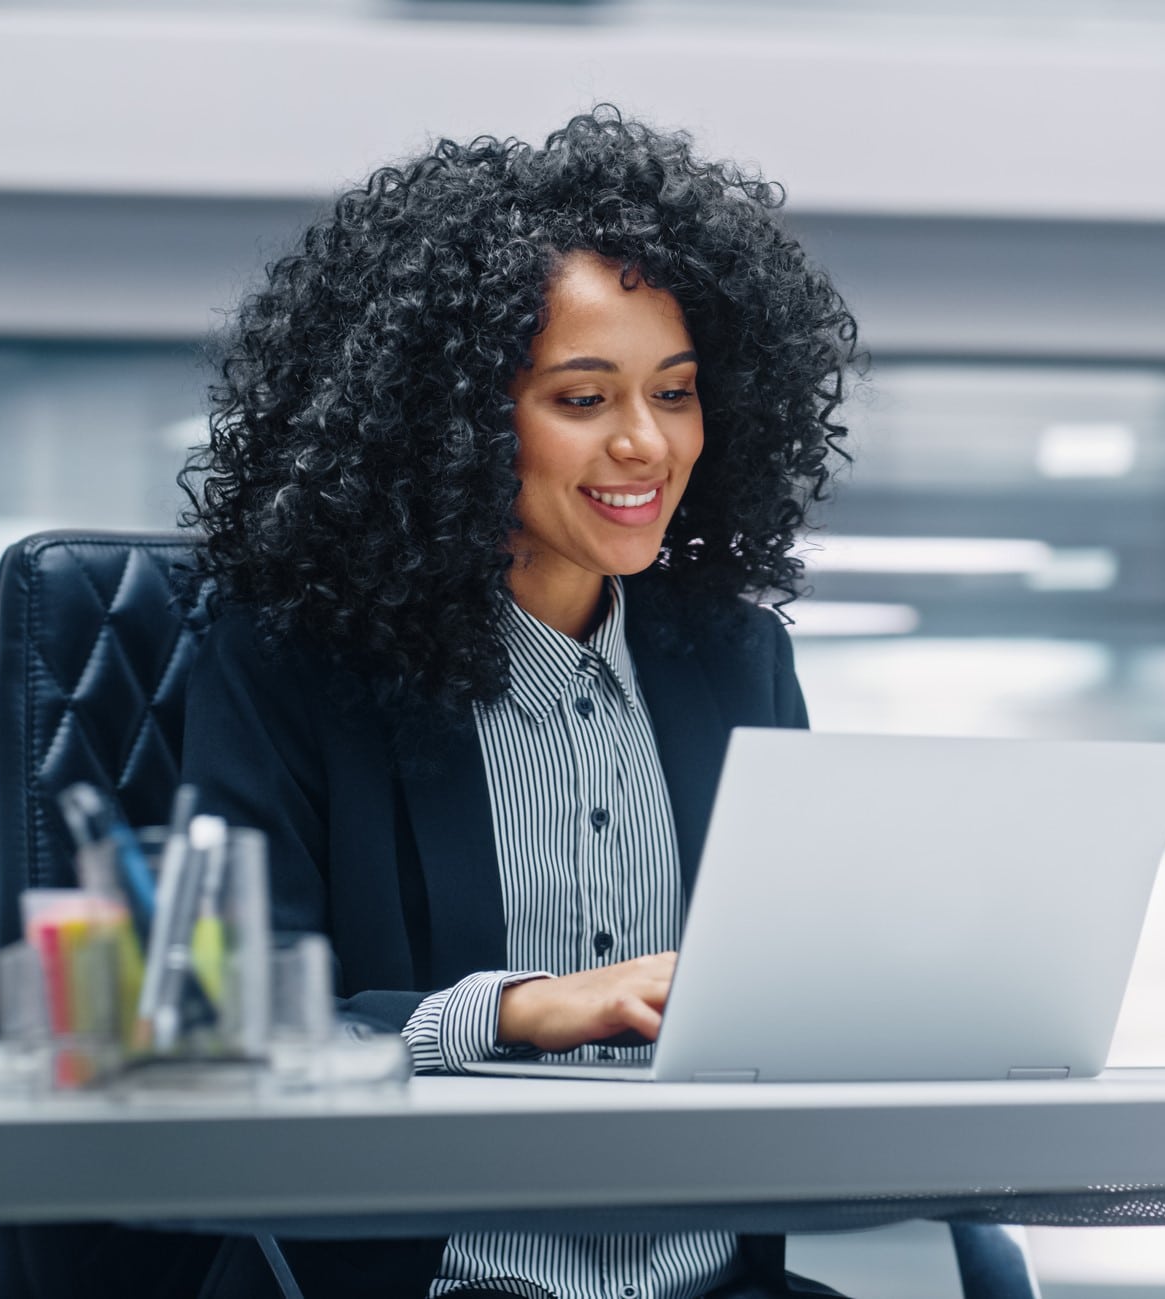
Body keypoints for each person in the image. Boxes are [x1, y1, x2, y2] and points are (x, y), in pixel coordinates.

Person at [176, 105, 858, 1299]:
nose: (648, 443)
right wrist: (513, 1011)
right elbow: (219, 1032)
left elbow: (784, 987)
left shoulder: (734, 661)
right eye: (583, 399)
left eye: (678, 391)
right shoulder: (295, 665)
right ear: (449, 424)